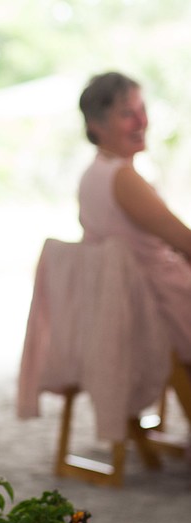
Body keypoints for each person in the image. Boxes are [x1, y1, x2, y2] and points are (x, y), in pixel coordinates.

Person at [77, 71, 191, 409]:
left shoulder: (93, 173)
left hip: (122, 306)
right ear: (96, 125)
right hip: (154, 309)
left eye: (142, 110)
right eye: (128, 113)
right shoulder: (122, 177)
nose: (142, 120)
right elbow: (183, 239)